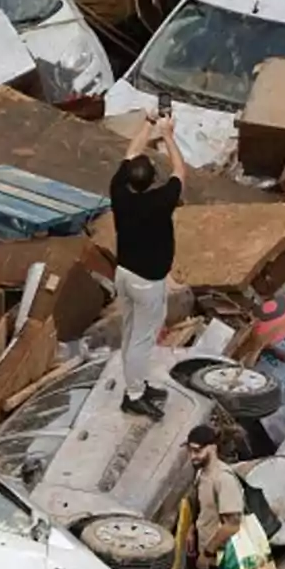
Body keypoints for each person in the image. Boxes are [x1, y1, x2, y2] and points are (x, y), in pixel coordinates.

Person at [109, 112, 187, 420]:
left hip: (124, 274)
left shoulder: (118, 191)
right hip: (147, 282)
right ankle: (134, 395)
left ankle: (135, 383)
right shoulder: (160, 201)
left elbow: (131, 153)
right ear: (153, 180)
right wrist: (167, 135)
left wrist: (147, 122)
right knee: (143, 338)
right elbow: (180, 170)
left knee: (130, 331)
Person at [186, 425, 244, 569]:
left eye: (197, 450)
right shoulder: (202, 475)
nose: (192, 456)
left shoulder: (223, 479)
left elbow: (232, 525)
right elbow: (204, 510)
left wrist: (207, 553)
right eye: (190, 450)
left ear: (211, 448)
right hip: (211, 555)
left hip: (220, 558)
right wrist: (192, 529)